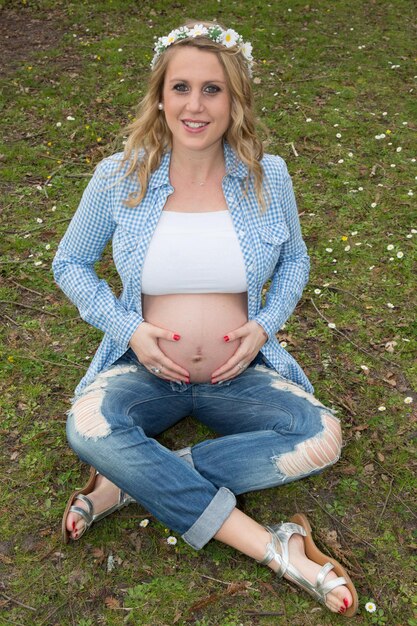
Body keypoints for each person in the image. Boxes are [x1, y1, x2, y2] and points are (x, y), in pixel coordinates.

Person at [53, 21, 358, 617]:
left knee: (323, 437)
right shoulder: (119, 177)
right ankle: (277, 548)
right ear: (160, 96)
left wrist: (266, 324)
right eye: (181, 88)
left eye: (213, 90)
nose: (195, 105)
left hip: (237, 376)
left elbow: (296, 260)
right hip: (145, 371)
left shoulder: (269, 177)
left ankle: (126, 480)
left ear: (236, 99)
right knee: (86, 426)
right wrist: (128, 331)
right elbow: (70, 262)